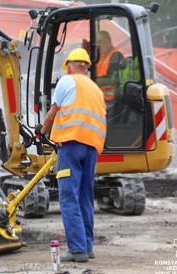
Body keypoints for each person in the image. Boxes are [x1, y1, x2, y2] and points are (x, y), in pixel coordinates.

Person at [41, 48, 106, 262]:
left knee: (69, 198)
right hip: (92, 148)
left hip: (71, 146)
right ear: (86, 67)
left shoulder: (66, 82)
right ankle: (87, 246)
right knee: (85, 197)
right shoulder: (96, 89)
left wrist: (41, 133)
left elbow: (52, 113)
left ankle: (77, 250)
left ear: (69, 65)